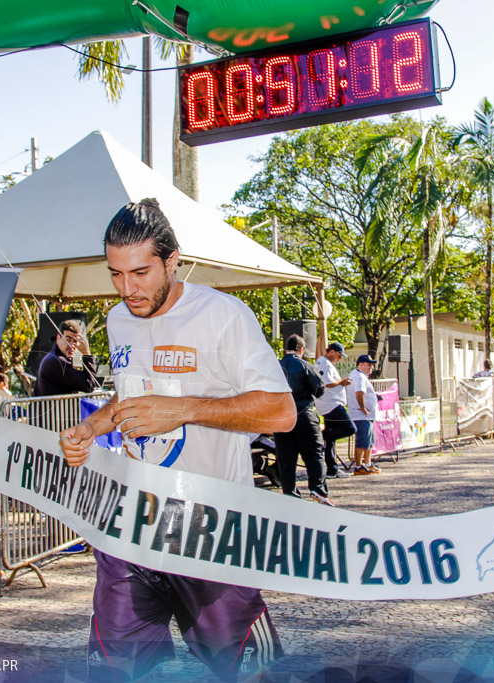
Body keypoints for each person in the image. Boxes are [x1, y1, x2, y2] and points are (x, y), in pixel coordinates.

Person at [57, 198, 296, 682]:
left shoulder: (224, 315)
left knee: (252, 671)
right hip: (133, 523)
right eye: (116, 274)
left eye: (141, 272)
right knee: (116, 670)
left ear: (172, 259)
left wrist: (185, 408)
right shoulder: (118, 319)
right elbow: (128, 400)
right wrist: (92, 426)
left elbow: (282, 412)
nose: (128, 288)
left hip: (211, 528)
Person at [274, 334, 333, 505]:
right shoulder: (305, 365)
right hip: (304, 414)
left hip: (281, 417)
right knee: (314, 454)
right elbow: (319, 390)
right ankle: (317, 489)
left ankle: (290, 493)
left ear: (286, 348)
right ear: (301, 349)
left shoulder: (275, 367)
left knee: (285, 458)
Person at [314, 341, 356, 477]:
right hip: (331, 404)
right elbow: (327, 383)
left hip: (330, 404)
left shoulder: (326, 364)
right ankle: (319, 436)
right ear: (331, 352)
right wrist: (342, 382)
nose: (340, 358)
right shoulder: (324, 364)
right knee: (350, 428)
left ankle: (332, 468)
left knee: (330, 441)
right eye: (339, 355)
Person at [34, 319, 98, 396]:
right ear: (58, 338)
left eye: (75, 341)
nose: (71, 345)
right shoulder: (56, 362)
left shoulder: (55, 357)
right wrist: (86, 353)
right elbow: (89, 385)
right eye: (67, 340)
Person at [347, 354, 379, 475]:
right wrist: (363, 407)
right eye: (368, 364)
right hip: (361, 415)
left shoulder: (361, 376)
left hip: (367, 415)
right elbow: (359, 392)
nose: (371, 367)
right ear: (360, 364)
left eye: (371, 364)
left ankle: (367, 463)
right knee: (362, 439)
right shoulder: (359, 376)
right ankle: (359, 465)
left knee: (369, 440)